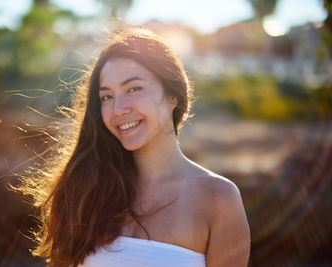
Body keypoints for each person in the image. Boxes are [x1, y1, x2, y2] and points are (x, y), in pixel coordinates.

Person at [19, 27, 250, 267]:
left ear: (173, 95)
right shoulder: (87, 187)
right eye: (107, 97)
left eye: (134, 89)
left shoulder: (218, 198)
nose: (118, 108)